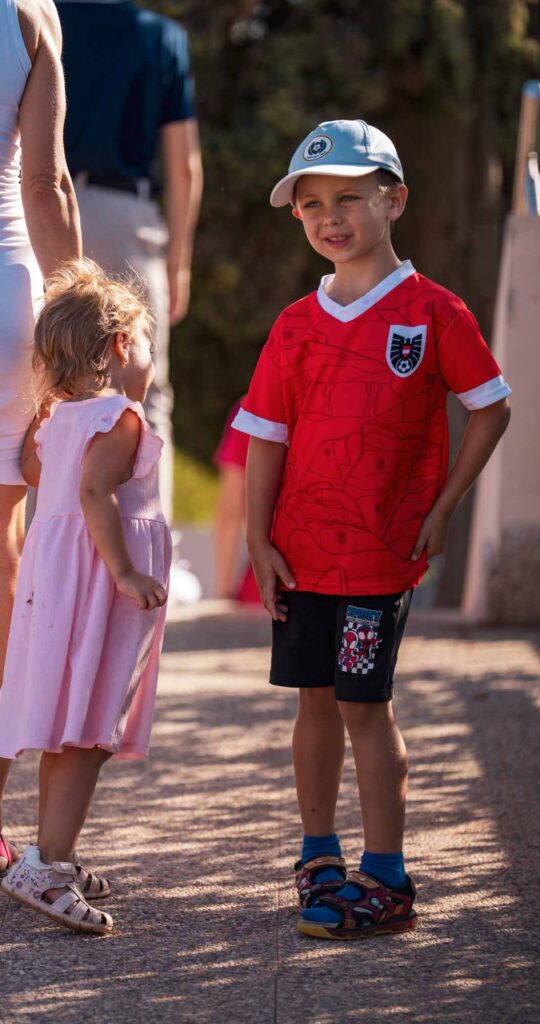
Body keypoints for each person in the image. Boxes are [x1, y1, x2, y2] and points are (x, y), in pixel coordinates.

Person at [233, 119, 511, 940]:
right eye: (313, 204)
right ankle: (319, 857)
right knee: (313, 703)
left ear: (395, 200)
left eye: (350, 198)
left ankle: (387, 879)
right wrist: (257, 540)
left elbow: (491, 408)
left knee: (364, 707)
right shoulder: (294, 323)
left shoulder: (433, 312)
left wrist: (444, 506)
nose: (331, 217)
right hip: (300, 556)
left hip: (379, 561)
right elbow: (265, 437)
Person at [0, 259, 171, 934]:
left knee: (67, 722)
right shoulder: (120, 418)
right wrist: (125, 572)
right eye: (148, 343)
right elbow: (95, 492)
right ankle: (44, 868)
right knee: (88, 729)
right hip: (100, 589)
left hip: (58, 585)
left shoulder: (58, 420)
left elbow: (39, 473)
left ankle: (50, 851)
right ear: (122, 346)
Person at [55, 0, 204, 521]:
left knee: (38, 378)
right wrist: (179, 262)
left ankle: (37, 544)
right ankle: (148, 537)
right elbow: (184, 165)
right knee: (144, 383)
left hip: (41, 203)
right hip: (125, 216)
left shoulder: (38, 15)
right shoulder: (162, 36)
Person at [0, 0, 81, 874]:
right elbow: (44, 181)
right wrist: (86, 328)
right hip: (7, 297)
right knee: (2, 555)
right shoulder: (27, 10)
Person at [214, 398, 260, 603]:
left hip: (267, 590)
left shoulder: (255, 407)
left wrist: (224, 591)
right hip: (351, 587)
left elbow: (231, 509)